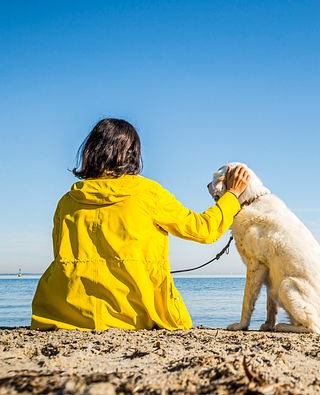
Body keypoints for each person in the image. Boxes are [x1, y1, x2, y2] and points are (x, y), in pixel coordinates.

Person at [31, 118, 249, 330]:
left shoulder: (67, 201)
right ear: (131, 154)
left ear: (91, 151)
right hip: (132, 314)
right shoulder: (148, 194)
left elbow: (62, 255)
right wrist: (232, 195)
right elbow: (204, 229)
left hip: (63, 312)